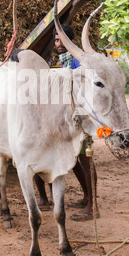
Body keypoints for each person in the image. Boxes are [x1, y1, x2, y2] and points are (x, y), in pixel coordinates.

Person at [34, 24, 100, 221]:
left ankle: (93, 206)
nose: (58, 44)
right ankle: (87, 197)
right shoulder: (62, 62)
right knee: (75, 161)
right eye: (56, 40)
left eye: (62, 40)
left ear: (72, 42)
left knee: (86, 160)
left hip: (81, 118)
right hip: (69, 119)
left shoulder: (79, 63)